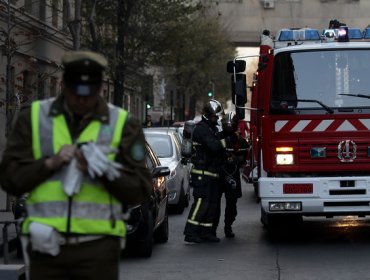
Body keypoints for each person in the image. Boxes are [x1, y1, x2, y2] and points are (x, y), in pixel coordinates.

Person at [0, 50, 152, 280]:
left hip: (98, 250)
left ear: (101, 87)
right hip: (46, 249)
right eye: (75, 93)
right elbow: (10, 179)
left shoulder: (123, 124)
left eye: (88, 93)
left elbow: (140, 189)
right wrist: (50, 164)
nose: (82, 100)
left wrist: (102, 170)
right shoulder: (33, 118)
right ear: (63, 85)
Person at [183, 99, 226, 243]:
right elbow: (214, 146)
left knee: (212, 204)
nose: (217, 118)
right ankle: (190, 233)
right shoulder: (202, 129)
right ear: (208, 115)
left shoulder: (211, 128)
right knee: (202, 204)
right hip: (202, 174)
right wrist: (227, 140)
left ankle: (206, 232)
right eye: (215, 116)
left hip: (212, 173)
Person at [214, 112, 249, 238]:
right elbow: (213, 150)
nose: (229, 126)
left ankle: (228, 226)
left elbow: (246, 155)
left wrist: (237, 159)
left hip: (233, 174)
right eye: (226, 124)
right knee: (214, 202)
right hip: (219, 174)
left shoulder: (240, 140)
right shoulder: (218, 137)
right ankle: (212, 229)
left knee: (232, 204)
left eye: (231, 125)